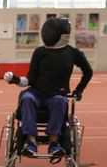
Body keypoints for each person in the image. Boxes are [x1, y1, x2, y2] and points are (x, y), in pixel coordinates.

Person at [6, 17, 93, 158]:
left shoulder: (72, 53)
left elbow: (88, 72)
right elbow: (30, 79)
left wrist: (79, 90)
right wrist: (16, 80)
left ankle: (54, 143)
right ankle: (31, 143)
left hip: (57, 95)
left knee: (59, 101)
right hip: (36, 93)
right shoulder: (40, 52)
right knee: (27, 98)